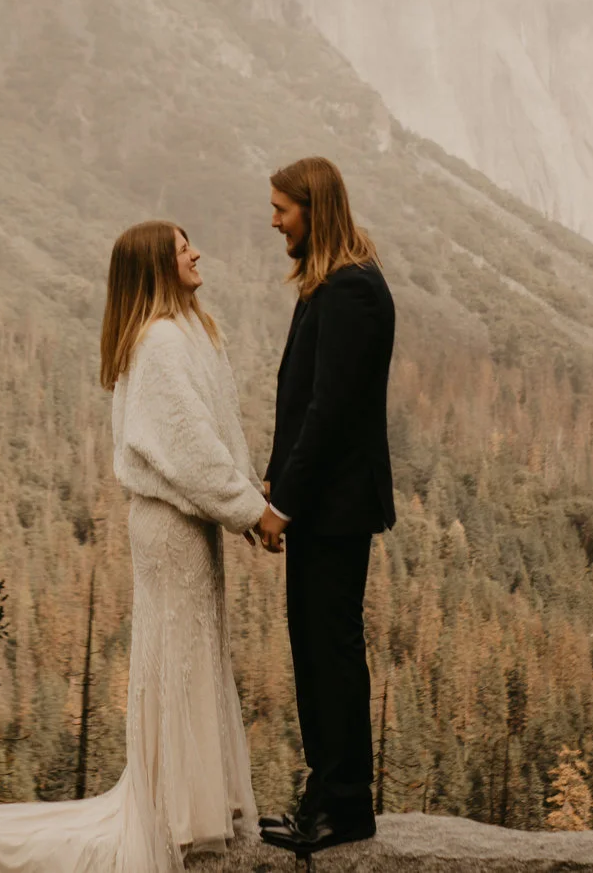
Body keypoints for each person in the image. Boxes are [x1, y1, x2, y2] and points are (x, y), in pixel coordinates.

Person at [0, 221, 284, 873]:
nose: (196, 252)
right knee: (177, 653)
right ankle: (175, 813)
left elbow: (217, 433)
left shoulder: (194, 329)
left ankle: (191, 804)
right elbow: (186, 448)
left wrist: (247, 501)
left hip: (193, 518)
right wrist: (252, 510)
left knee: (195, 649)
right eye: (182, 246)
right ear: (158, 265)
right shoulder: (159, 340)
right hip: (168, 522)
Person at [256, 157, 395, 854]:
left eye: (283, 207)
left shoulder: (350, 290)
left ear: (316, 208)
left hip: (335, 504)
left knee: (331, 651)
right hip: (321, 499)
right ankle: (326, 795)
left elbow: (329, 410)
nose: (275, 218)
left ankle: (344, 807)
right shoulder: (333, 282)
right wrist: (277, 482)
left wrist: (286, 502)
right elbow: (306, 399)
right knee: (315, 647)